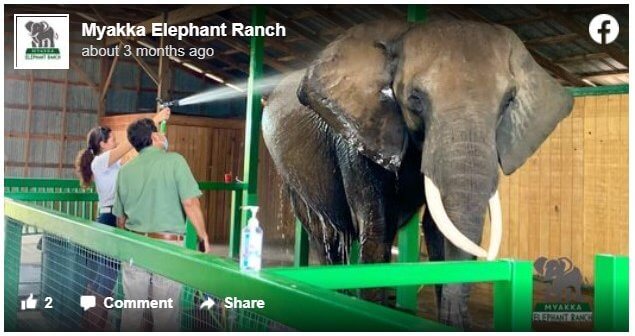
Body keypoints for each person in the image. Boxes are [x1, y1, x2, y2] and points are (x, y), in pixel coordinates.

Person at [74, 108, 170, 330]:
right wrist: (153, 121)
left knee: (103, 281)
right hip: (109, 220)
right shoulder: (101, 162)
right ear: (102, 144)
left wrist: (156, 144)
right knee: (105, 283)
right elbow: (130, 144)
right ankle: (92, 328)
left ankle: (93, 326)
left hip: (114, 219)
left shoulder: (114, 165)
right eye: (112, 140)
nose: (116, 142)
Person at [113, 118, 211, 332]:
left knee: (131, 312)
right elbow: (190, 202)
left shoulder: (124, 171)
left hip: (133, 246)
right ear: (154, 137)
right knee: (166, 316)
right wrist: (203, 236)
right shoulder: (175, 161)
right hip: (167, 248)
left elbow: (120, 220)